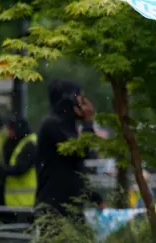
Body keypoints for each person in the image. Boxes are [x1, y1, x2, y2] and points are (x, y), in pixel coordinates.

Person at [34, 79, 103, 223]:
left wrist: (95, 197)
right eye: (81, 98)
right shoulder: (51, 125)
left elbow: (77, 168)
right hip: (54, 210)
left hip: (72, 208)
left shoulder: (69, 130)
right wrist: (88, 123)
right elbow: (77, 154)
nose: (85, 104)